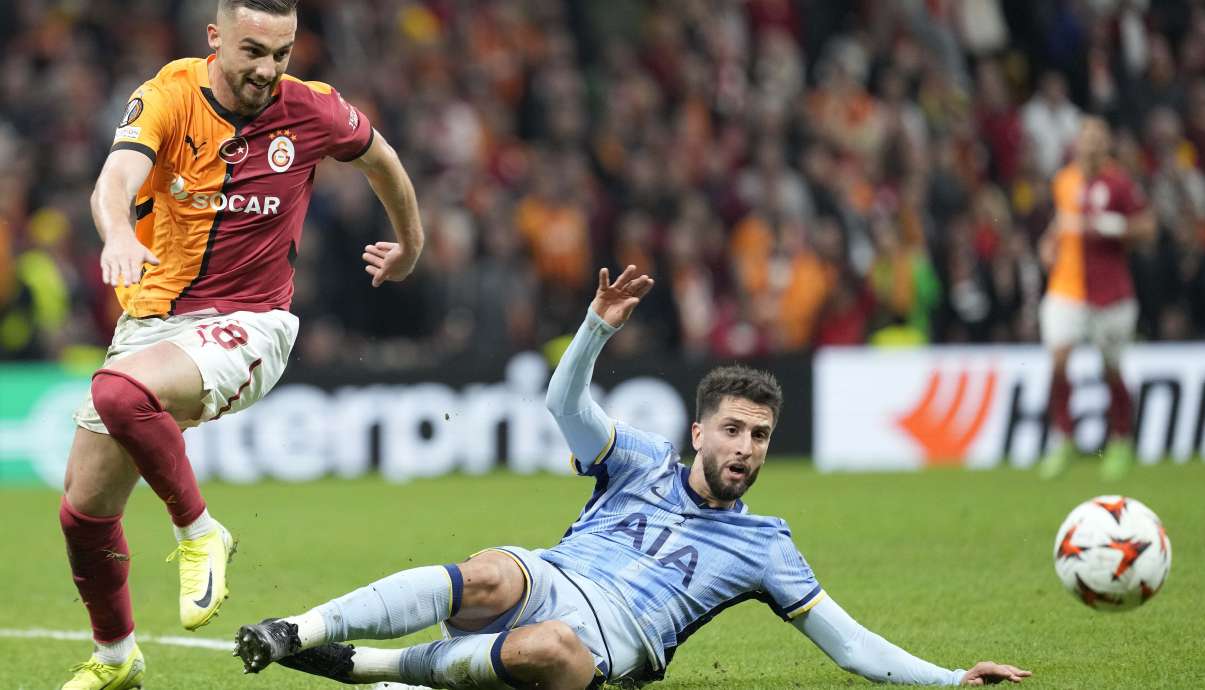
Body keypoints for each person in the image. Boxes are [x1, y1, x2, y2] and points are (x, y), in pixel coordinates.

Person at [232, 266, 1030, 689]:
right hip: (551, 577)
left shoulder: (765, 548)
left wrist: (954, 678)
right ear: (698, 433)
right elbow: (560, 399)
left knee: (553, 648)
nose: (744, 448)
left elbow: (850, 647)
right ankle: (299, 633)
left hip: (598, 649)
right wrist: (593, 330)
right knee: (492, 568)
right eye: (731, 430)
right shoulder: (642, 461)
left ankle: (372, 666)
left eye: (758, 436)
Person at [60, 1, 425, 687]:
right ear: (215, 38)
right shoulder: (168, 96)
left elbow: (384, 161)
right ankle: (116, 660)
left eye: (282, 54)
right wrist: (115, 232)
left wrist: (411, 245)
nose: (267, 70)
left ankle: (200, 531)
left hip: (253, 322)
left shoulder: (310, 110)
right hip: (154, 322)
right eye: (252, 51)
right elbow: (115, 179)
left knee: (118, 393)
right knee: (83, 512)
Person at [1036, 117, 1156, 481]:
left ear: (1106, 146)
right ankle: (1064, 438)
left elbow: (1147, 228)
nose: (1090, 146)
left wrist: (1113, 226)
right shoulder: (1064, 181)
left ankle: (1120, 441)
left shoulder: (1119, 183)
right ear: (1077, 144)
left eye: (1097, 140)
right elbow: (1062, 222)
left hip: (1110, 292)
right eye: (1085, 139)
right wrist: (1048, 242)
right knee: (1058, 361)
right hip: (1066, 289)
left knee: (1111, 368)